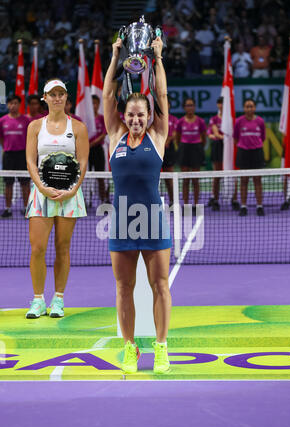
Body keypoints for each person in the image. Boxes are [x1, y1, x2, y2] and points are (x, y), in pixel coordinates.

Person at [103, 35, 172, 375]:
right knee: (123, 288)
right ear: (124, 116)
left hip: (153, 219)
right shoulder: (114, 136)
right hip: (122, 221)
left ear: (147, 116)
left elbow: (160, 95)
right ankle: (129, 349)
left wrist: (157, 58)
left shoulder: (158, 137)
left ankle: (161, 348)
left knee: (160, 285)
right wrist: (116, 56)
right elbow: (106, 96)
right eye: (130, 114)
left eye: (140, 114)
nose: (135, 119)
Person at [25, 78, 89, 319]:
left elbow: (83, 162)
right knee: (38, 248)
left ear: (66, 97)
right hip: (41, 194)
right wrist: (41, 187)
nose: (57, 98)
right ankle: (38, 300)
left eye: (61, 93)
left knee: (62, 248)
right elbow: (30, 160)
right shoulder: (34, 127)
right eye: (52, 94)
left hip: (69, 194)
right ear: (45, 98)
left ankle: (59, 299)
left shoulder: (78, 128)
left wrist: (73, 189)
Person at [233, 99, 266, 216]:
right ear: (243, 108)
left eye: (251, 106)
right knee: (244, 181)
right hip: (243, 153)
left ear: (255, 108)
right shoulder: (238, 121)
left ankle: (259, 206)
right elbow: (236, 138)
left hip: (257, 152)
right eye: (247, 106)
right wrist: (245, 145)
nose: (249, 109)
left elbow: (263, 137)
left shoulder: (260, 121)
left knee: (258, 180)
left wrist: (253, 145)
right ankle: (243, 206)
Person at [0, 94, 31, 217]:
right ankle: (7, 209)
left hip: (22, 155)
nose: (13, 105)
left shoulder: (26, 120)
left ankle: (26, 208)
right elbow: (1, 137)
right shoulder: (2, 121)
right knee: (8, 183)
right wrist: (6, 146)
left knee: (25, 183)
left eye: (16, 103)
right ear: (7, 105)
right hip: (8, 155)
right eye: (11, 103)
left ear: (19, 105)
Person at [207, 97, 239, 211]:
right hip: (218, 147)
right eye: (220, 103)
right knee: (217, 174)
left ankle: (234, 199)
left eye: (224, 103)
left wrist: (227, 139)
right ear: (217, 105)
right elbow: (215, 132)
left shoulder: (231, 119)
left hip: (229, 147)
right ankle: (215, 199)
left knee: (232, 173)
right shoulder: (214, 119)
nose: (222, 105)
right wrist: (224, 137)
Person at [176, 97, 206, 211]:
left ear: (194, 107)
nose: (190, 107)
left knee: (195, 179)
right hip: (184, 149)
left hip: (196, 150)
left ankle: (197, 205)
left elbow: (204, 137)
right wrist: (183, 146)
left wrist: (198, 146)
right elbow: (177, 138)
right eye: (188, 105)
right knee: (185, 179)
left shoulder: (200, 121)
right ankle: (187, 205)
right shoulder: (180, 122)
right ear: (184, 107)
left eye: (192, 105)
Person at [89, 94, 107, 204]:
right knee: (85, 177)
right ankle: (87, 200)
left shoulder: (102, 118)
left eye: (95, 103)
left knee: (100, 176)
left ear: (98, 104)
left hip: (98, 150)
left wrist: (92, 143)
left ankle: (104, 199)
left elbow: (104, 133)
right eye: (91, 103)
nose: (93, 106)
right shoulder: (85, 119)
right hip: (86, 150)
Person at [162, 98, 178, 206]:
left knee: (169, 177)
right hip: (157, 149)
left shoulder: (174, 119)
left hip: (168, 149)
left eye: (166, 104)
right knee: (154, 177)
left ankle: (173, 201)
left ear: (169, 106)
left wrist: (167, 141)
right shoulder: (156, 118)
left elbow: (175, 134)